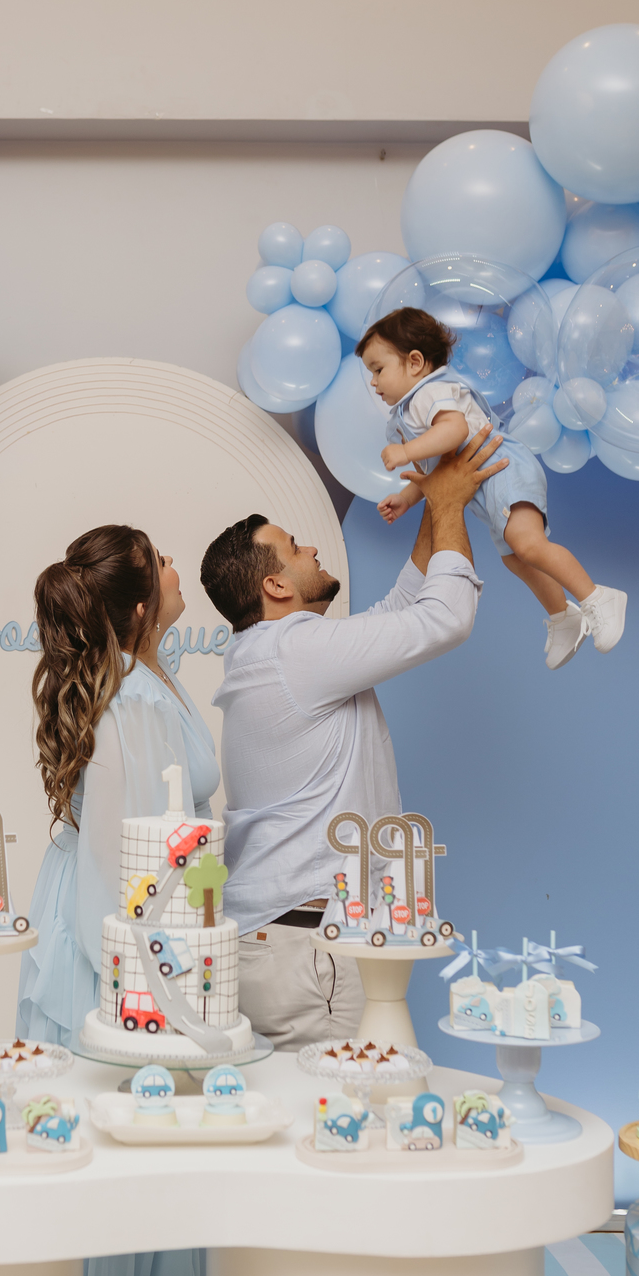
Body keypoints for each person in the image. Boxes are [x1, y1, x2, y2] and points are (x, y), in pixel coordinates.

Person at [199, 429, 504, 1052]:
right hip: (312, 949)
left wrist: (437, 495)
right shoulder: (294, 649)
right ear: (276, 587)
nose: (311, 548)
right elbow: (445, 618)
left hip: (282, 941)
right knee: (350, 1102)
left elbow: (398, 611)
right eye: (293, 547)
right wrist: (449, 505)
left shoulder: (270, 653)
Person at [16, 523, 215, 1276]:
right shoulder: (133, 702)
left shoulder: (147, 681)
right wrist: (147, 993)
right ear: (138, 609)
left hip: (124, 935)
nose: (175, 566)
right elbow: (124, 862)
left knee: (141, 1178)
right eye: (161, 559)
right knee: (119, 1176)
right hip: (116, 955)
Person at [361, 307, 626, 669]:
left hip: (504, 468)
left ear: (415, 362)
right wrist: (408, 498)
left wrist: (406, 452)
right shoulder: (407, 414)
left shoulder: (430, 392)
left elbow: (454, 430)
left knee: (527, 544)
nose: (373, 382)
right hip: (485, 487)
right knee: (515, 558)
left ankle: (597, 596)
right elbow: (438, 472)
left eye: (378, 370)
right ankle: (564, 616)